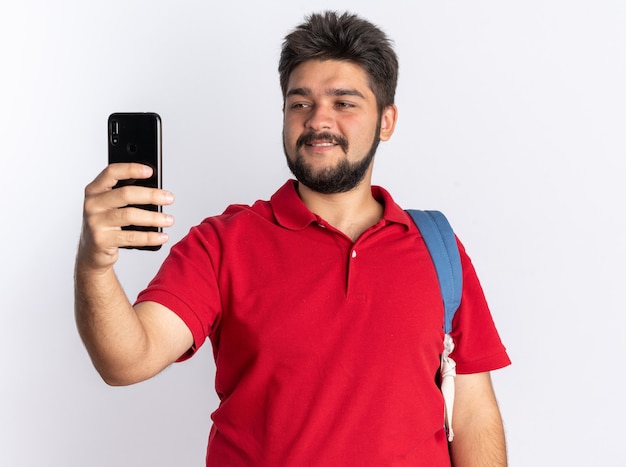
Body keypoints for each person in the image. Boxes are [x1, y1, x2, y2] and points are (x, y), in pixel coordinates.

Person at [75, 11, 511, 466]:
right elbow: (126, 361)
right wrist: (94, 264)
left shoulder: (437, 245)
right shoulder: (224, 244)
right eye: (300, 103)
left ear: (386, 120)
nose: (318, 120)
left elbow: (472, 412)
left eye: (344, 103)